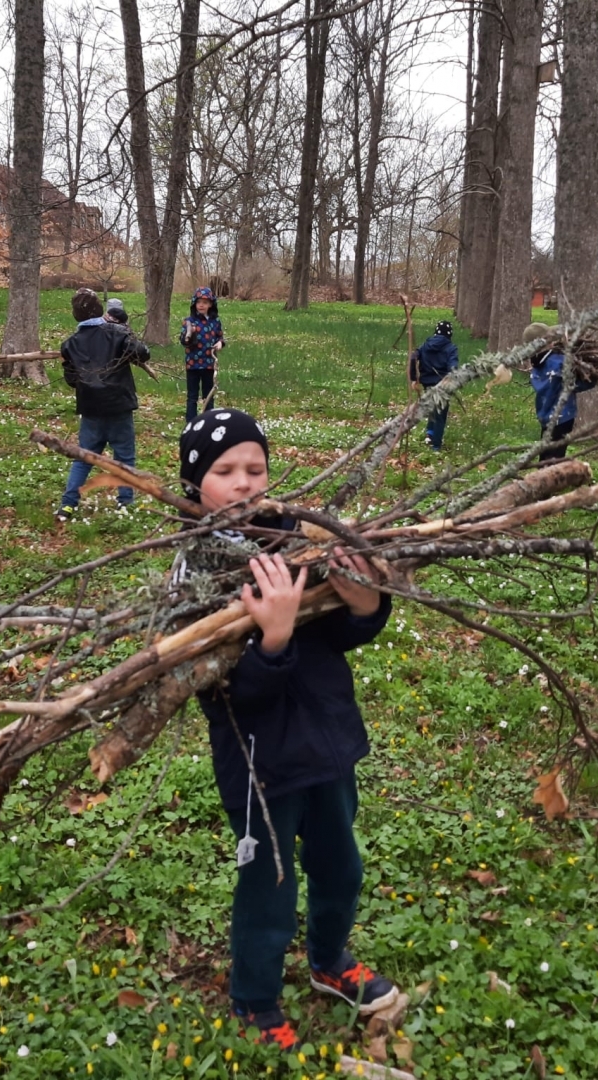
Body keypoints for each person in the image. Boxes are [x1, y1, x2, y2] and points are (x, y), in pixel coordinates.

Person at [175, 408, 400, 1049]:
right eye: (224, 471)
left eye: (256, 468)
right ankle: (254, 999)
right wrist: (272, 639)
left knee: (342, 867)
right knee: (269, 890)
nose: (244, 482)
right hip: (259, 765)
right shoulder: (196, 574)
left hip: (327, 744)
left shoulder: (294, 539)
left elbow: (338, 634)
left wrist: (364, 605)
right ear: (194, 484)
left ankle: (331, 961)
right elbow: (225, 698)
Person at [55, 288, 151, 522]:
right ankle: (125, 502)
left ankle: (67, 505)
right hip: (118, 406)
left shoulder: (70, 344)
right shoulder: (116, 333)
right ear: (100, 309)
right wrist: (128, 338)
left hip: (91, 409)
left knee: (84, 458)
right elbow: (143, 353)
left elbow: (71, 380)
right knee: (124, 458)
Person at [524, 323, 593, 462]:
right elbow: (576, 385)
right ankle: (550, 479)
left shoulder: (535, 365)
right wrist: (592, 378)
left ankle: (541, 476)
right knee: (556, 456)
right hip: (562, 417)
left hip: (544, 415)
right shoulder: (559, 362)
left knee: (545, 452)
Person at [407, 320, 459, 450]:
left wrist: (414, 378)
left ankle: (430, 433)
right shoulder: (451, 349)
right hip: (443, 385)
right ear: (449, 335)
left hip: (427, 383)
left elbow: (413, 357)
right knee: (441, 413)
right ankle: (436, 445)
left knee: (432, 407)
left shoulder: (425, 345)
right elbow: (453, 367)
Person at [180, 286, 224, 422]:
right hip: (193, 364)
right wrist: (190, 334)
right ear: (194, 304)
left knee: (208, 395)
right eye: (199, 302)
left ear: (210, 304)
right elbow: (184, 341)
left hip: (209, 364)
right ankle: (191, 423)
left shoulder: (215, 322)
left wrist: (220, 343)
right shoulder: (189, 322)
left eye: (205, 303)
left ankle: (208, 422)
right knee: (192, 396)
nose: (201, 305)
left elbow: (220, 337)